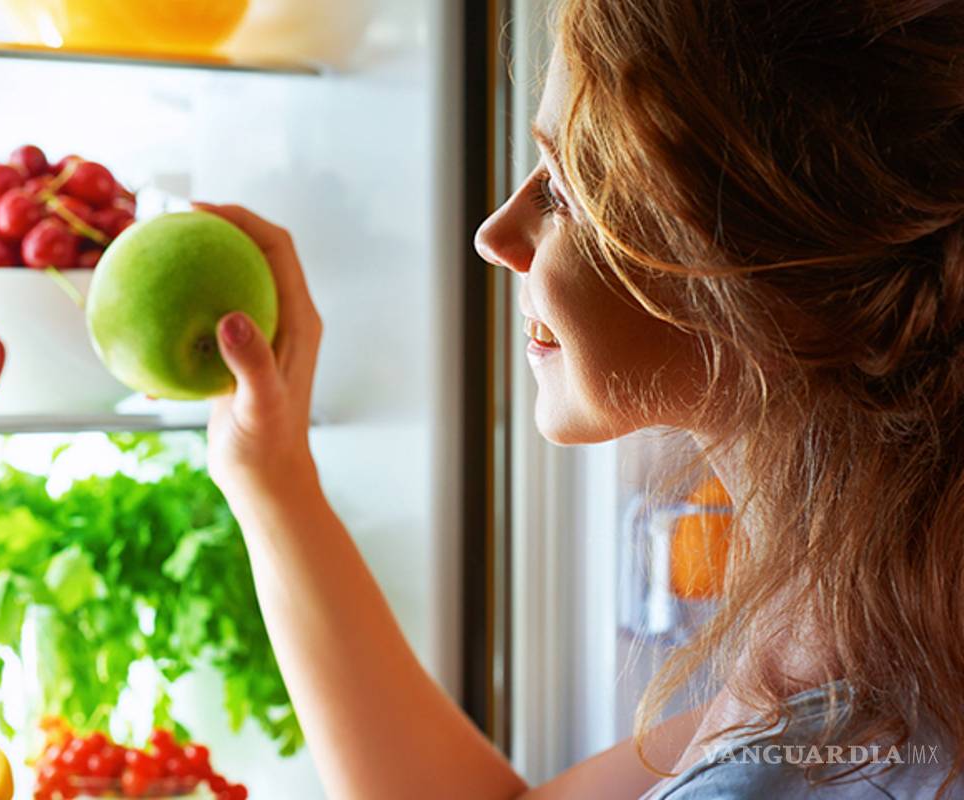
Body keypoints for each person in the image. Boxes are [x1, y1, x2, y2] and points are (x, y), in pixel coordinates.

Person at [192, 0, 964, 796]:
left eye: (561, 190)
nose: (495, 235)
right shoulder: (870, 642)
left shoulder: (820, 736)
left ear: (749, 247)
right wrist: (271, 475)